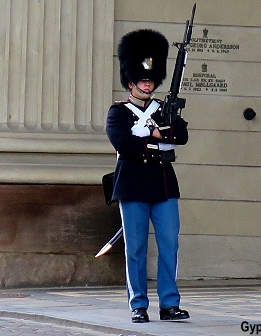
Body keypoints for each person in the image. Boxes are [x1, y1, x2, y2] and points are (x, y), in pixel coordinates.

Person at [106, 29, 190, 323]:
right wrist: (156, 137)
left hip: (164, 185)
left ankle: (169, 303)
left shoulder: (163, 109)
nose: (146, 81)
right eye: (142, 78)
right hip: (132, 185)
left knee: (170, 244)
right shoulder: (119, 113)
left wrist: (159, 132)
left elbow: (181, 135)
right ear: (130, 81)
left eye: (150, 78)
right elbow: (123, 143)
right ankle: (138, 304)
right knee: (137, 248)